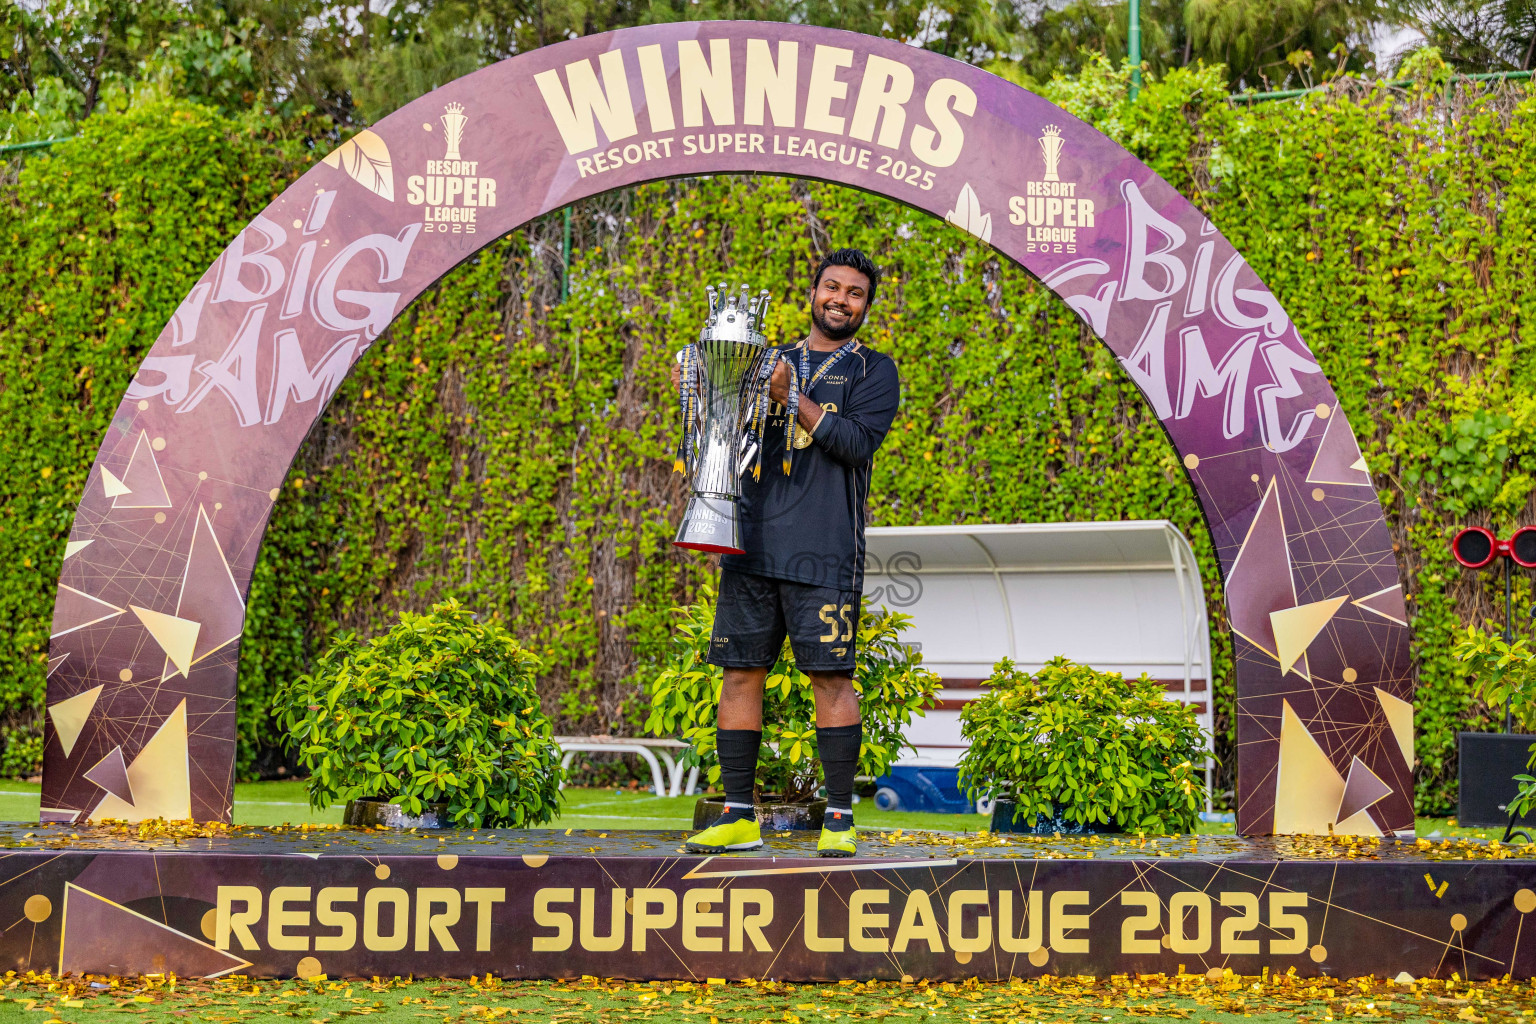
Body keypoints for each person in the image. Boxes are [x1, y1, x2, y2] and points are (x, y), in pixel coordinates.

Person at [671, 248, 901, 858]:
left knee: (831, 677)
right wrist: (704, 388)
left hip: (824, 551)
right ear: (813, 292)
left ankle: (841, 818)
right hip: (749, 540)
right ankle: (740, 816)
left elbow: (854, 443)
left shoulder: (875, 371)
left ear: (865, 307)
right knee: (741, 673)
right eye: (832, 287)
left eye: (855, 293)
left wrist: (792, 396)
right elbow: (721, 426)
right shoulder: (765, 357)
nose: (841, 300)